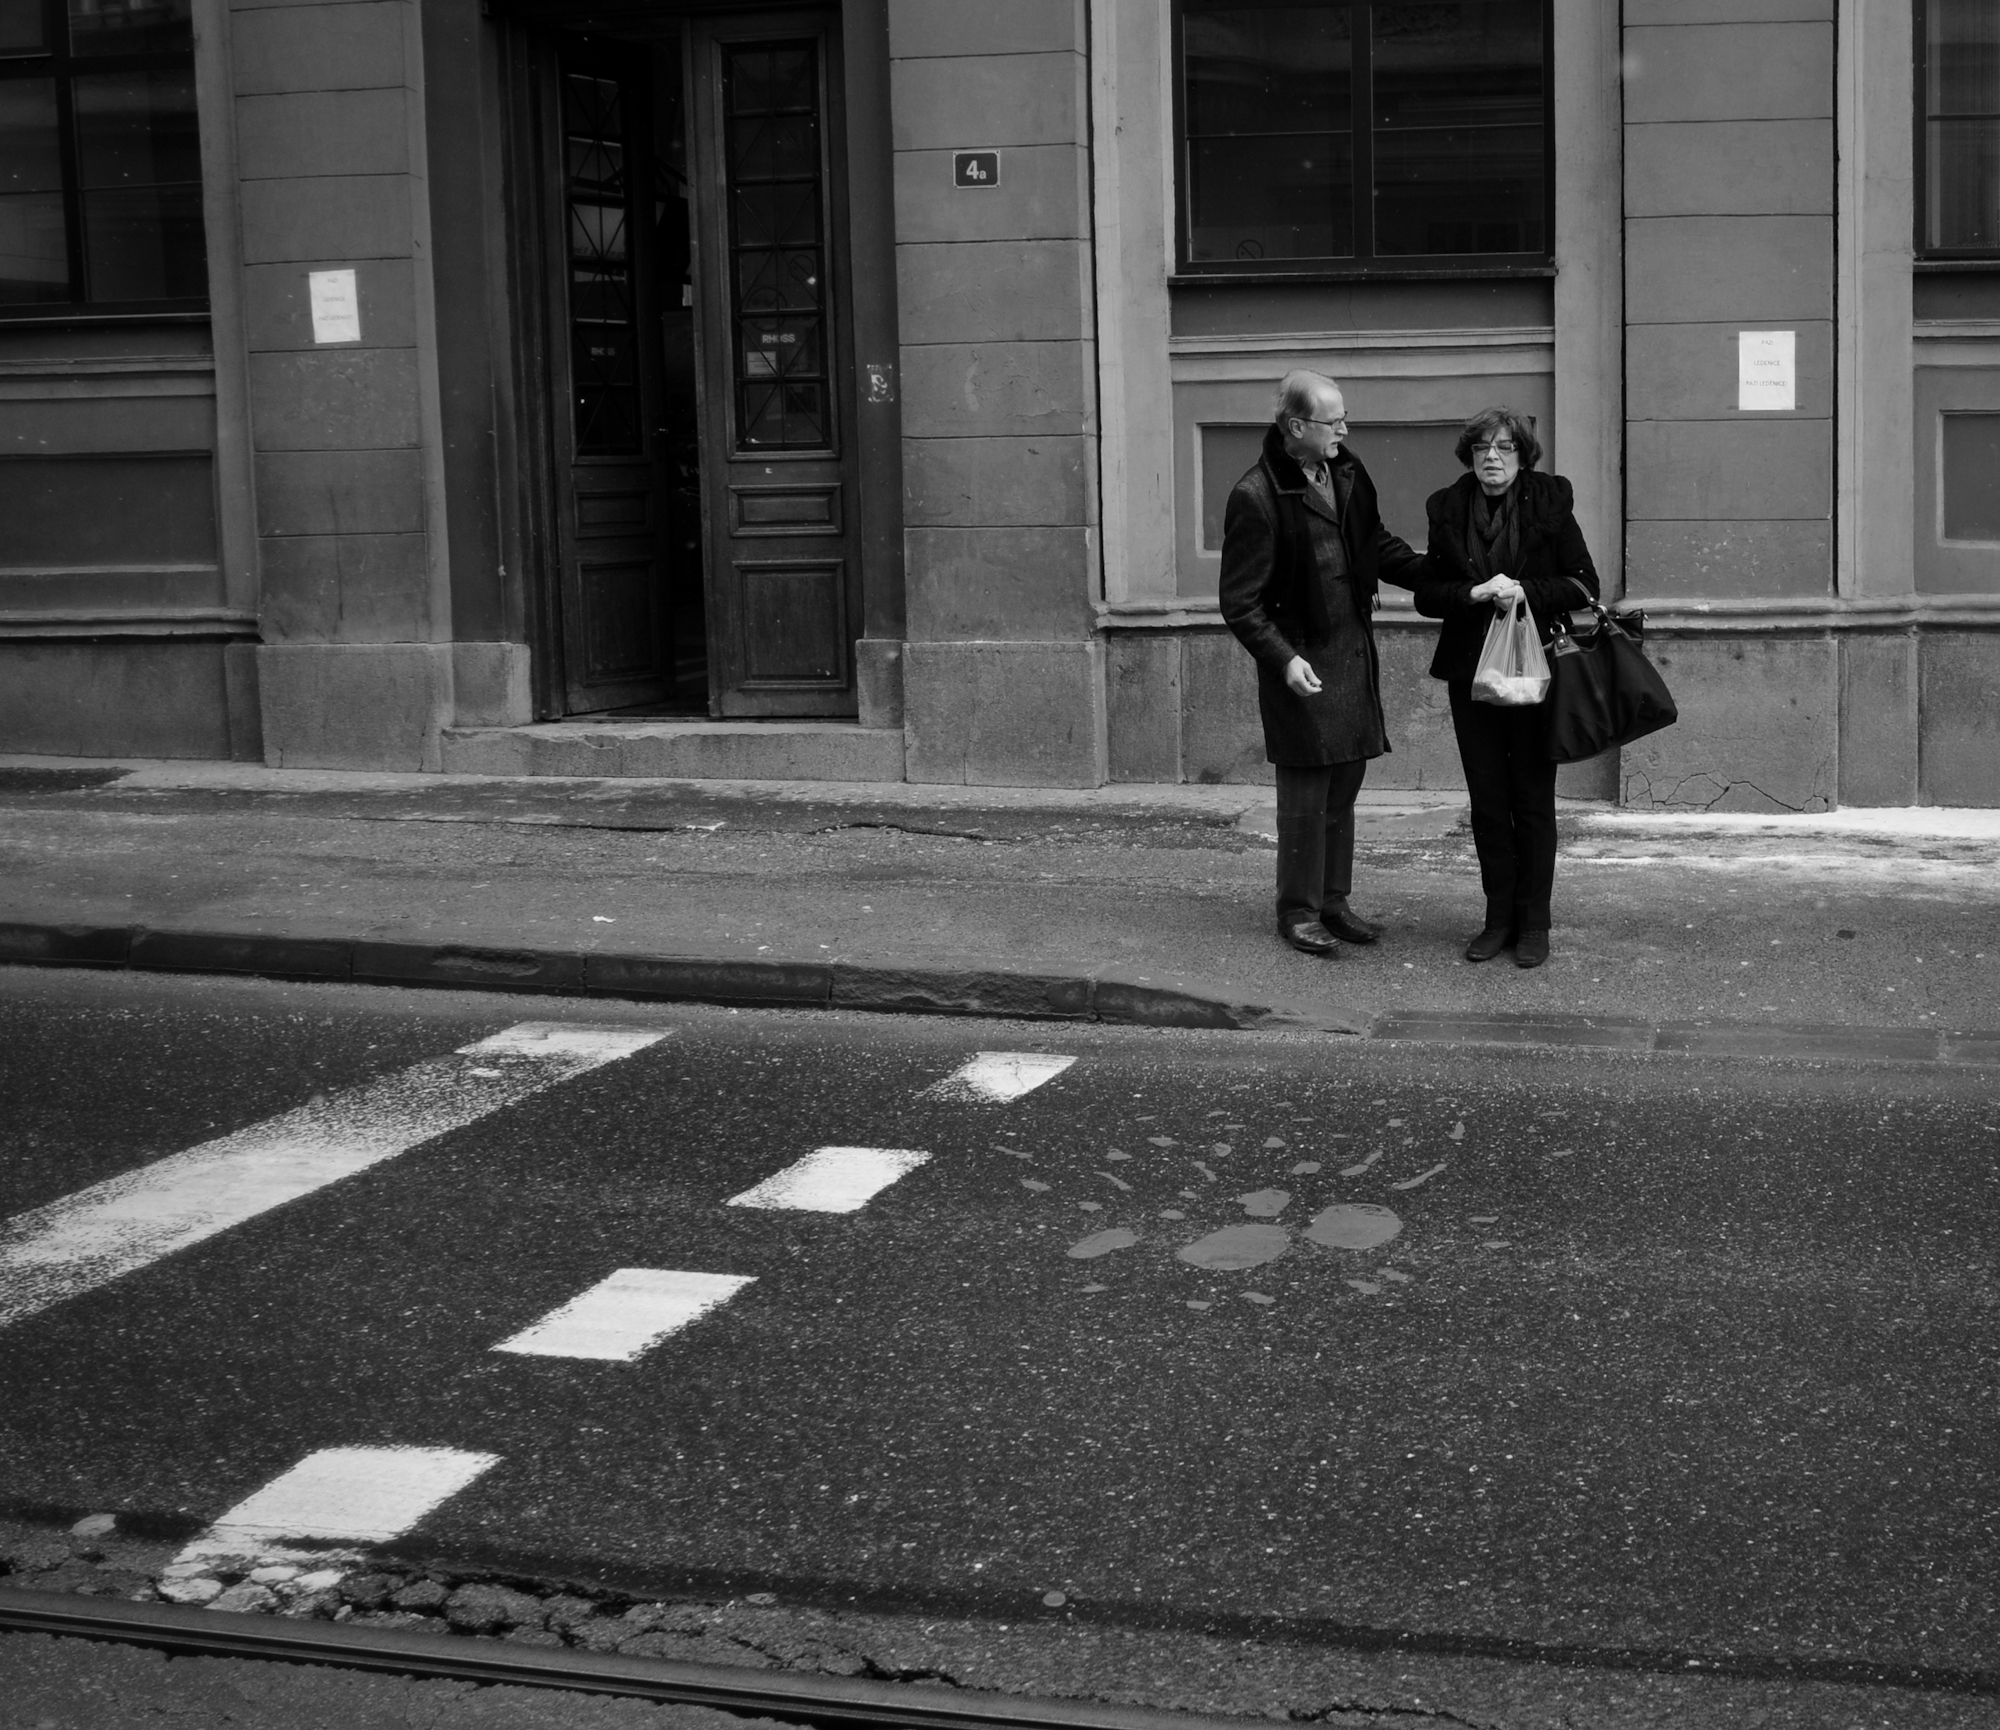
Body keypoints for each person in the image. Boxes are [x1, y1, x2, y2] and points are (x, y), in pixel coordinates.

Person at [1220, 369, 1426, 956]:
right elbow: (1240, 602)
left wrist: (1445, 578)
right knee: (1305, 801)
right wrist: (1283, 660)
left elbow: (1376, 546)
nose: (1344, 429)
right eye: (1332, 421)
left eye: (1343, 418)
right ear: (1295, 426)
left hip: (1351, 657)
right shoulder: (1255, 495)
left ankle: (1333, 902)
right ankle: (1298, 910)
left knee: (1342, 793)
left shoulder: (1346, 472)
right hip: (1301, 667)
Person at [1412, 406, 1600, 969]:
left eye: (1504, 447)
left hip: (1534, 670)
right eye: (1481, 448)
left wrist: (1525, 591)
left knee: (1532, 799)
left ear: (1523, 455)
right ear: (1469, 456)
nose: (1491, 458)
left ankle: (1534, 922)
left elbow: (1583, 585)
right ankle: (1498, 919)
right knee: (1489, 801)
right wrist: (1470, 594)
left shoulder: (1549, 502)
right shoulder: (1447, 508)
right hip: (1472, 674)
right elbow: (1427, 595)